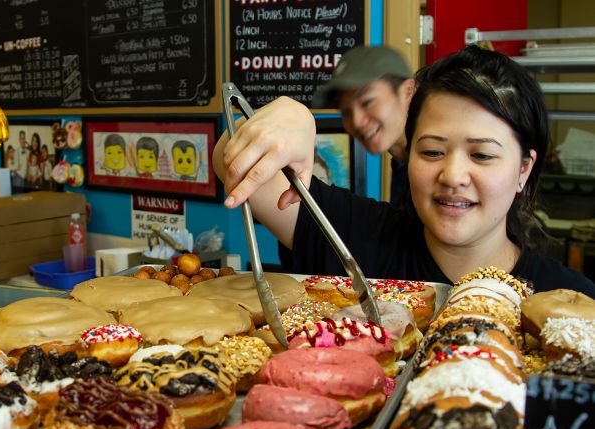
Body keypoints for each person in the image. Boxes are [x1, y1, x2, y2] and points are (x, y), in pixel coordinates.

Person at [214, 45, 595, 296]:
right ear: (408, 153)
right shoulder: (359, 238)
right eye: (432, 151)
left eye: (481, 156)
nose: (453, 175)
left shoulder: (570, 299)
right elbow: (227, 158)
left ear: (523, 169)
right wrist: (289, 117)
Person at [312, 46, 415, 206]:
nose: (356, 122)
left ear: (408, 91)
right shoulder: (403, 165)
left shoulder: (433, 171)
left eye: (367, 102)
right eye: (345, 112)